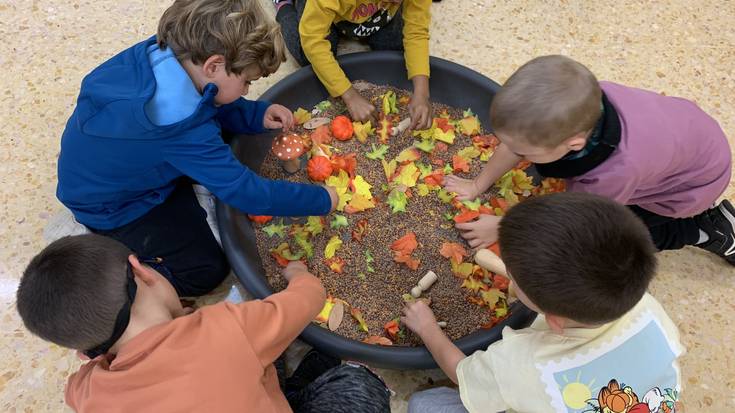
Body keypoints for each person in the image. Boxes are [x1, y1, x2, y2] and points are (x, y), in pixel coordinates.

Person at [55, 0, 339, 298]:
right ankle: (116, 262)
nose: (246, 91)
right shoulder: (180, 126)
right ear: (214, 65)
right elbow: (248, 193)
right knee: (206, 270)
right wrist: (321, 199)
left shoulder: (169, 52)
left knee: (221, 133)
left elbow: (210, 100)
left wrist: (254, 115)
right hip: (115, 206)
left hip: (111, 161)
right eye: (246, 82)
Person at [16, 234, 391, 413]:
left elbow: (75, 387)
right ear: (141, 271)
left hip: (231, 373)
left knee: (254, 352)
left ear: (85, 351)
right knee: (360, 383)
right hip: (243, 361)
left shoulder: (91, 392)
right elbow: (309, 300)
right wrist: (299, 274)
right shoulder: (226, 327)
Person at [403, 193, 685, 413]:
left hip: (544, 391)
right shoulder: (647, 308)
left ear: (555, 321)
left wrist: (428, 328)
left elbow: (462, 373)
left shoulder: (522, 364)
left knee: (425, 405)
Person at [445, 55, 734, 265]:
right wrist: (476, 185)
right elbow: (515, 144)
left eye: (524, 153)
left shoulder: (613, 173)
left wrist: (503, 226)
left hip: (690, 185)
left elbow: (574, 218)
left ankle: (709, 230)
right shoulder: (583, 102)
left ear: (574, 144)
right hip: (690, 136)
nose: (515, 154)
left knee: (613, 242)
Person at [273, 0, 433, 129]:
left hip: (371, 12)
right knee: (305, 55)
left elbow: (416, 32)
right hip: (322, 10)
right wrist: (350, 95)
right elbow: (312, 42)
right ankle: (284, 6)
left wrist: (422, 93)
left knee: (394, 46)